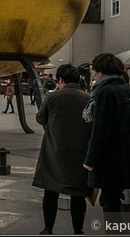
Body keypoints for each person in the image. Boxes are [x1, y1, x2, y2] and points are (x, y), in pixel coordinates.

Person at [82, 53, 130, 215]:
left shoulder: (105, 93)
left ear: (101, 71)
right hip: (129, 154)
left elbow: (100, 131)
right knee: (114, 199)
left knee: (109, 202)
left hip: (110, 157)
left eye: (94, 71)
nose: (93, 74)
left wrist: (90, 159)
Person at [32, 64, 92, 235]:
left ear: (60, 80)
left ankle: (48, 228)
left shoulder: (53, 97)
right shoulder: (87, 98)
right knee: (78, 195)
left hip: (54, 151)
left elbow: (40, 118)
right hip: (79, 153)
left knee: (51, 192)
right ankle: (78, 230)